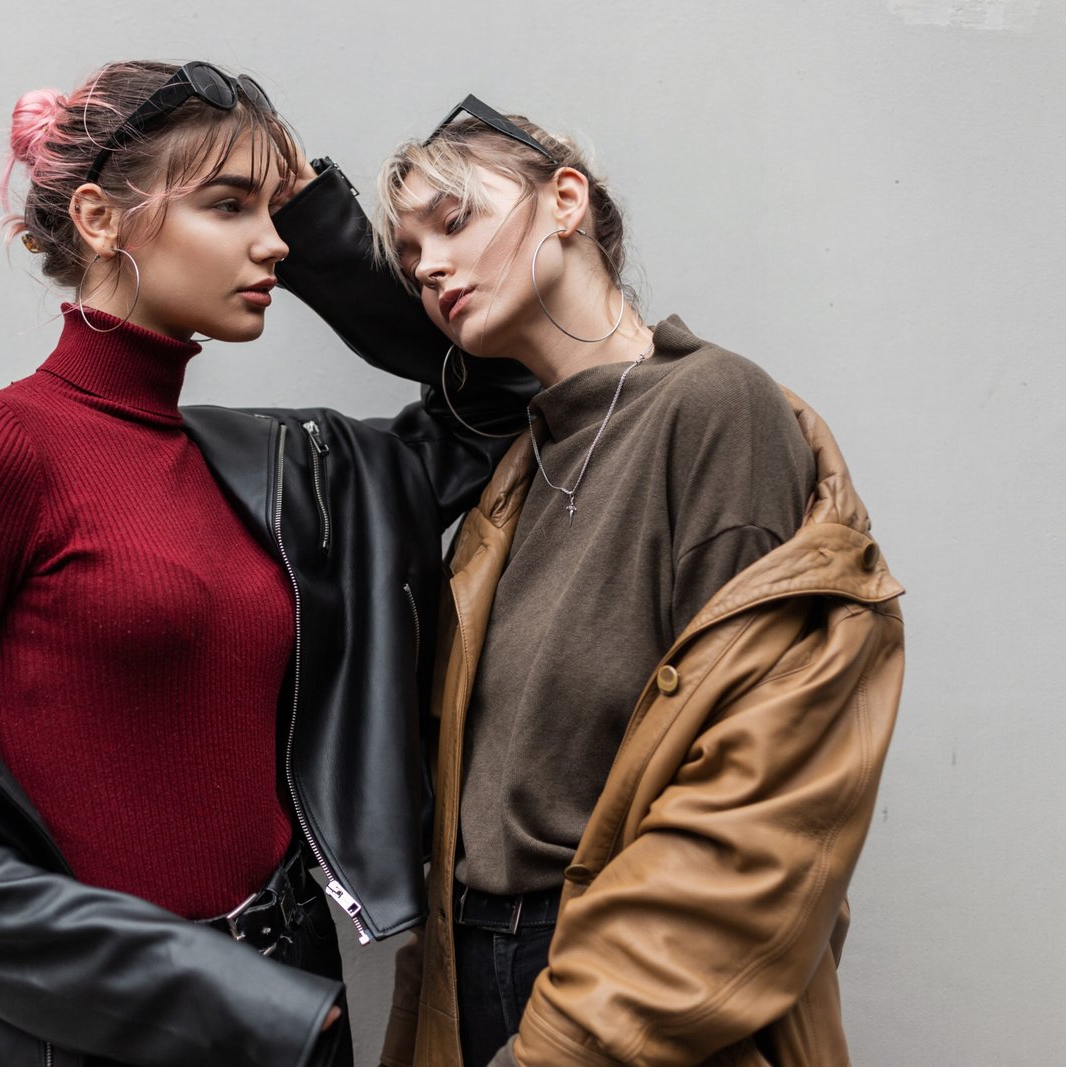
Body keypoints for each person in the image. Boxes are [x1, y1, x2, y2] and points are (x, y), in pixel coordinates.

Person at [0, 63, 532, 1067]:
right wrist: (213, 991)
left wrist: (320, 227)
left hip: (293, 1012)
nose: (272, 242)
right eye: (229, 206)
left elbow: (500, 390)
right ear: (100, 219)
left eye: (274, 212)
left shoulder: (279, 470)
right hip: (106, 1031)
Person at [368, 96, 907, 1067]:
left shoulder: (715, 406)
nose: (431, 269)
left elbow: (757, 790)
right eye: (410, 261)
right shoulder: (515, 474)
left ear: (564, 199)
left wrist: (571, 1033)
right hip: (473, 963)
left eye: (454, 221)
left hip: (622, 983)